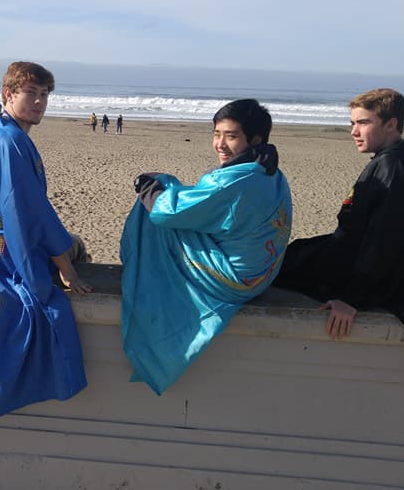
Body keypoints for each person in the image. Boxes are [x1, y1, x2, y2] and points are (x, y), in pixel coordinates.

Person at [272, 88, 404, 360]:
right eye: (352, 123)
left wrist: (353, 300)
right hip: (391, 271)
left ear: (391, 124)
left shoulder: (391, 166)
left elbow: (387, 236)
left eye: (363, 122)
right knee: (297, 251)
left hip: (361, 270)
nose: (354, 132)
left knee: (279, 265)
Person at [0, 61, 92, 416]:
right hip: (2, 249)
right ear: (9, 94)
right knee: (50, 298)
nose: (40, 102)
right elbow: (29, 216)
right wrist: (66, 269)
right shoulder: (9, 143)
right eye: (31, 93)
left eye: (44, 95)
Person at [120, 99, 292, 394]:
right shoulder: (273, 173)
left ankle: (139, 270)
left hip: (234, 282)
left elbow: (168, 212)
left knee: (154, 205)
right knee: (171, 195)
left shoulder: (236, 181)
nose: (220, 144)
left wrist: (150, 186)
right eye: (216, 134)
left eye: (231, 136)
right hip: (262, 277)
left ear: (255, 140)